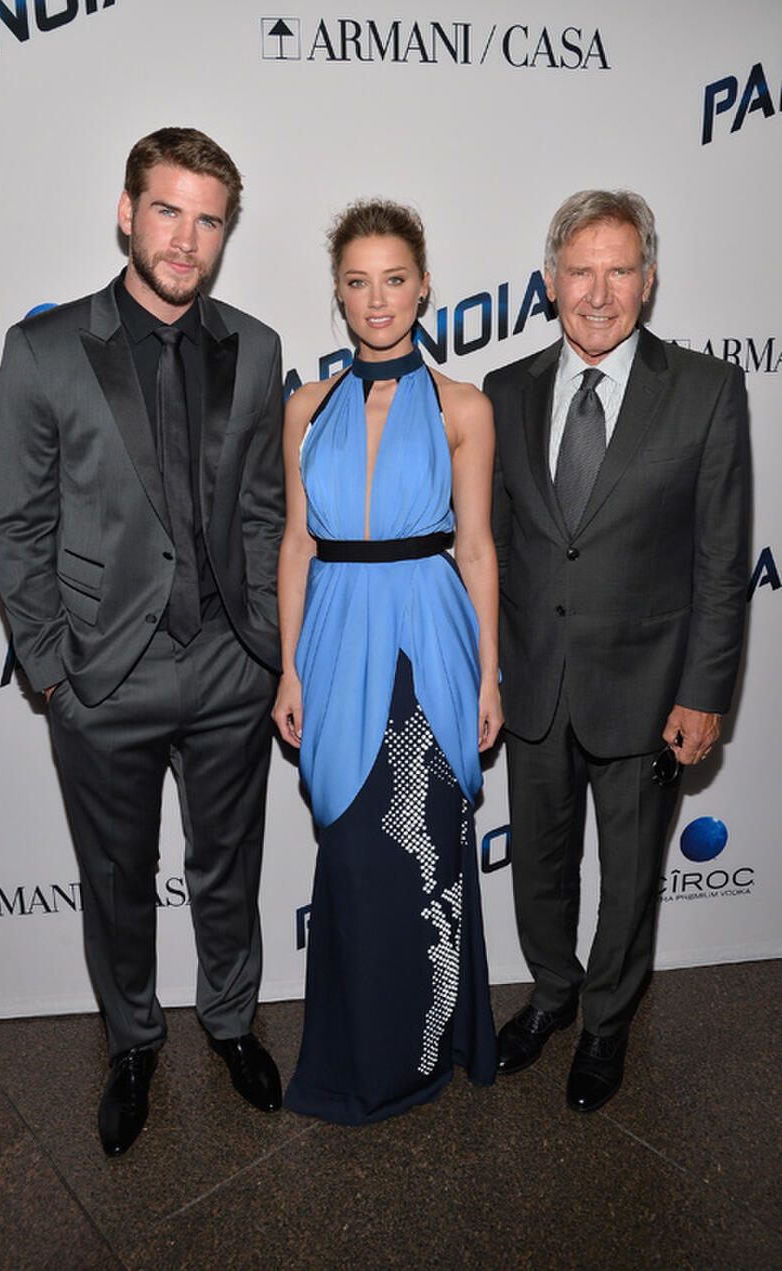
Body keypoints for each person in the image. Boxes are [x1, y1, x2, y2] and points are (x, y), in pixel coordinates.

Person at [0, 127, 285, 1156]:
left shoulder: (255, 345)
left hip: (229, 667)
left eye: (207, 218)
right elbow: (18, 523)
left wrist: (268, 647)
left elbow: (260, 510)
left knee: (228, 864)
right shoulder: (43, 349)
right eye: (168, 210)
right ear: (127, 211)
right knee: (116, 875)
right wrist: (49, 670)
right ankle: (131, 1042)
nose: (185, 236)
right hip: (101, 674)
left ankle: (234, 1020)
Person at [484, 189, 750, 1112]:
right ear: (550, 280)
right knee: (539, 867)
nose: (599, 293)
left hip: (648, 689)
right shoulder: (506, 392)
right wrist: (485, 672)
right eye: (581, 270)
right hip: (533, 685)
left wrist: (705, 689)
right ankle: (551, 993)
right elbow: (495, 549)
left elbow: (723, 561)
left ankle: (605, 1021)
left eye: (620, 270)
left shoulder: (709, 391)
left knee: (631, 875)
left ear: (649, 278)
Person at [272, 200, 501, 1124]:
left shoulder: (463, 406)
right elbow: (295, 545)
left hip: (429, 639)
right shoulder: (304, 407)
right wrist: (288, 669)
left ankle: (430, 1044)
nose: (378, 299)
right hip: (332, 638)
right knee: (359, 858)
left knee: (426, 851)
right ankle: (357, 1052)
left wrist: (486, 674)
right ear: (338, 291)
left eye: (395, 279)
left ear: (424, 287)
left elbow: (478, 547)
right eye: (359, 282)